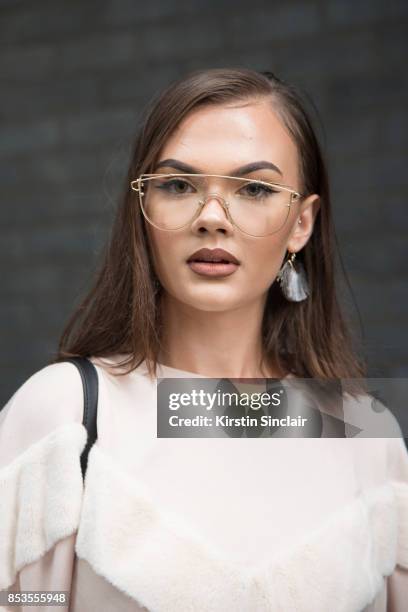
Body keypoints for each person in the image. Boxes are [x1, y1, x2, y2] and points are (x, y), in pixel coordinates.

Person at [0, 67, 407, 611]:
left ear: (301, 224)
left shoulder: (365, 433)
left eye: (255, 189)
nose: (212, 218)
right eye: (177, 185)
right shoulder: (66, 413)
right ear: (142, 211)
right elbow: (23, 600)